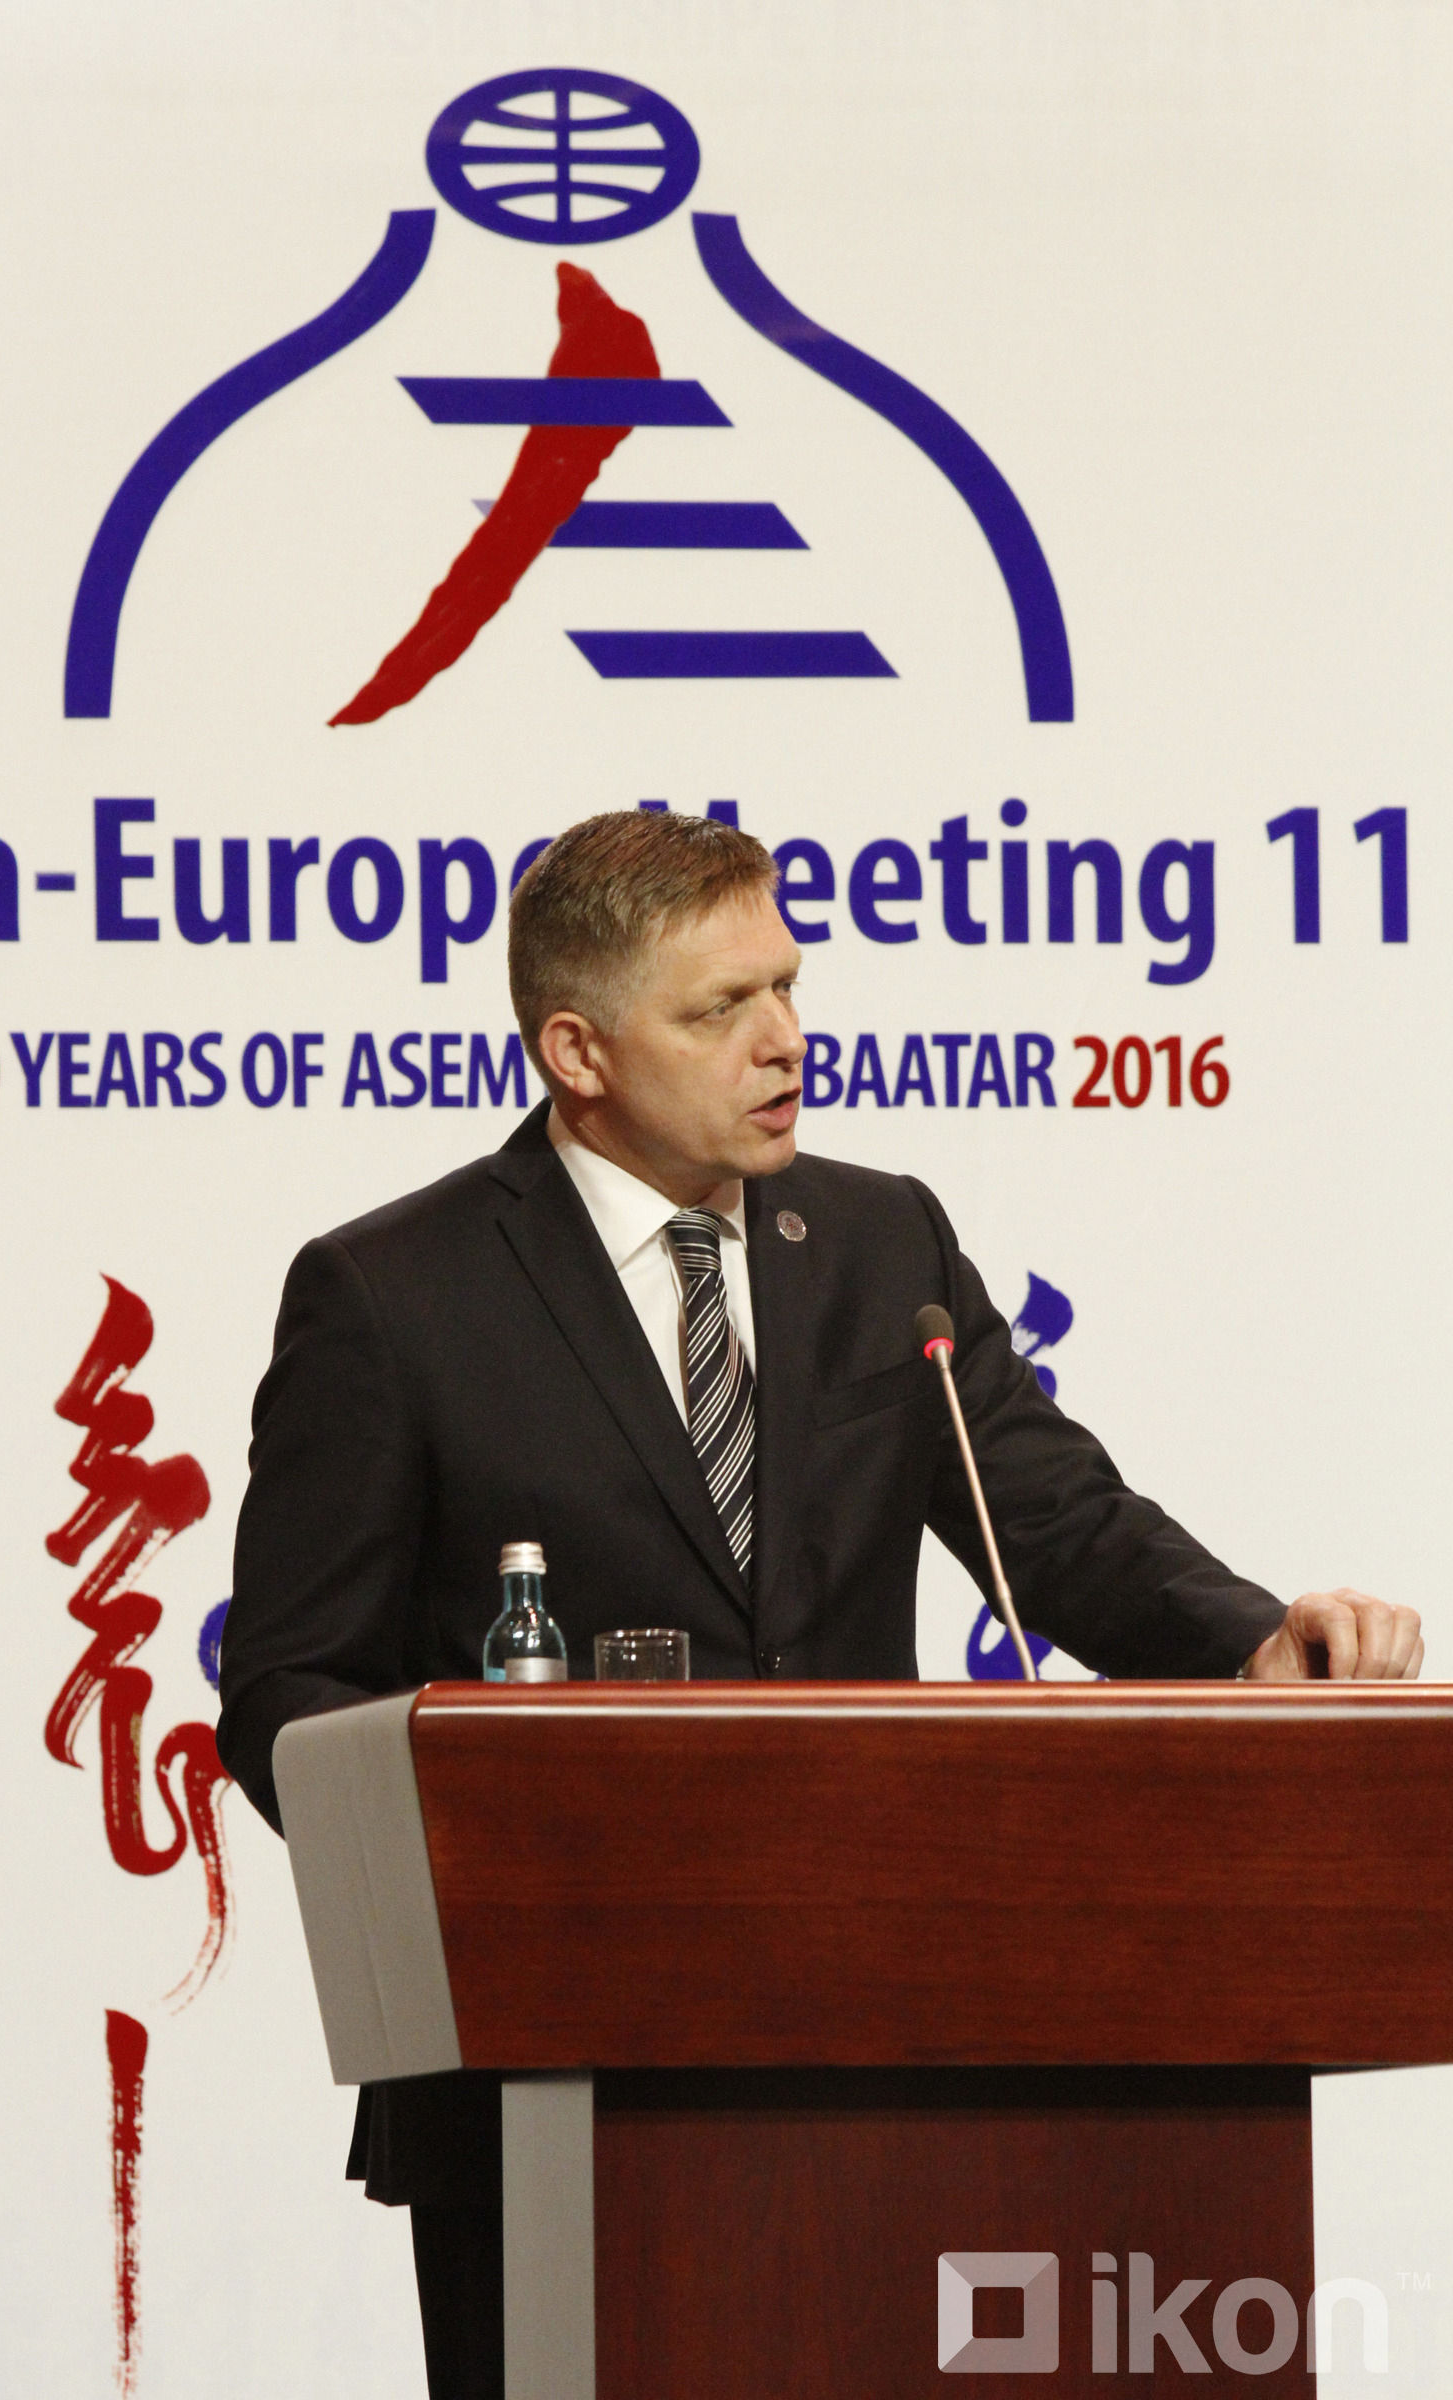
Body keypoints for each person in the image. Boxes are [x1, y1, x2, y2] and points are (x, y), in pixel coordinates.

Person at [216, 808, 1422, 2400]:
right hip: (548, 2078)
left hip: (897, 2044)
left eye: (787, 985)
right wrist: (490, 1849)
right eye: (722, 1008)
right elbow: (291, 1692)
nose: (785, 1038)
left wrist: (1252, 1641)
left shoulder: (876, 1239)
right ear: (578, 1050)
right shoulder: (393, 1296)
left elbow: (1053, 1520)